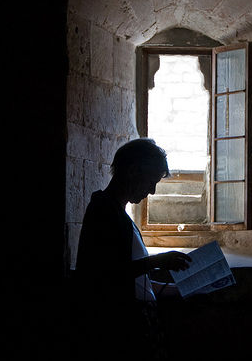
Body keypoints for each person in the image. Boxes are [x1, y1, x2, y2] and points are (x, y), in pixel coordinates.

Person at [74, 138, 191, 359]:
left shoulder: (119, 214)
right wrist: (157, 262)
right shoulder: (103, 211)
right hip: (116, 329)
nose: (153, 191)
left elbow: (134, 281)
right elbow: (106, 275)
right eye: (150, 181)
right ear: (133, 170)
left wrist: (180, 291)